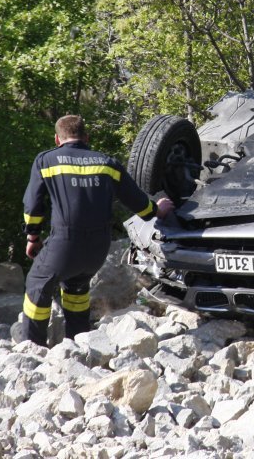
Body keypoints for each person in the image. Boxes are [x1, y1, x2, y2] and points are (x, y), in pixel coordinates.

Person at [21, 115, 173, 346]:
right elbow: (138, 203)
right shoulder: (107, 163)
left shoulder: (47, 161)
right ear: (87, 138)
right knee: (76, 287)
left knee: (37, 283)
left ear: (57, 138)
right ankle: (80, 344)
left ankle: (32, 347)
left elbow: (33, 205)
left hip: (65, 242)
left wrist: (33, 236)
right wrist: (157, 209)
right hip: (98, 249)